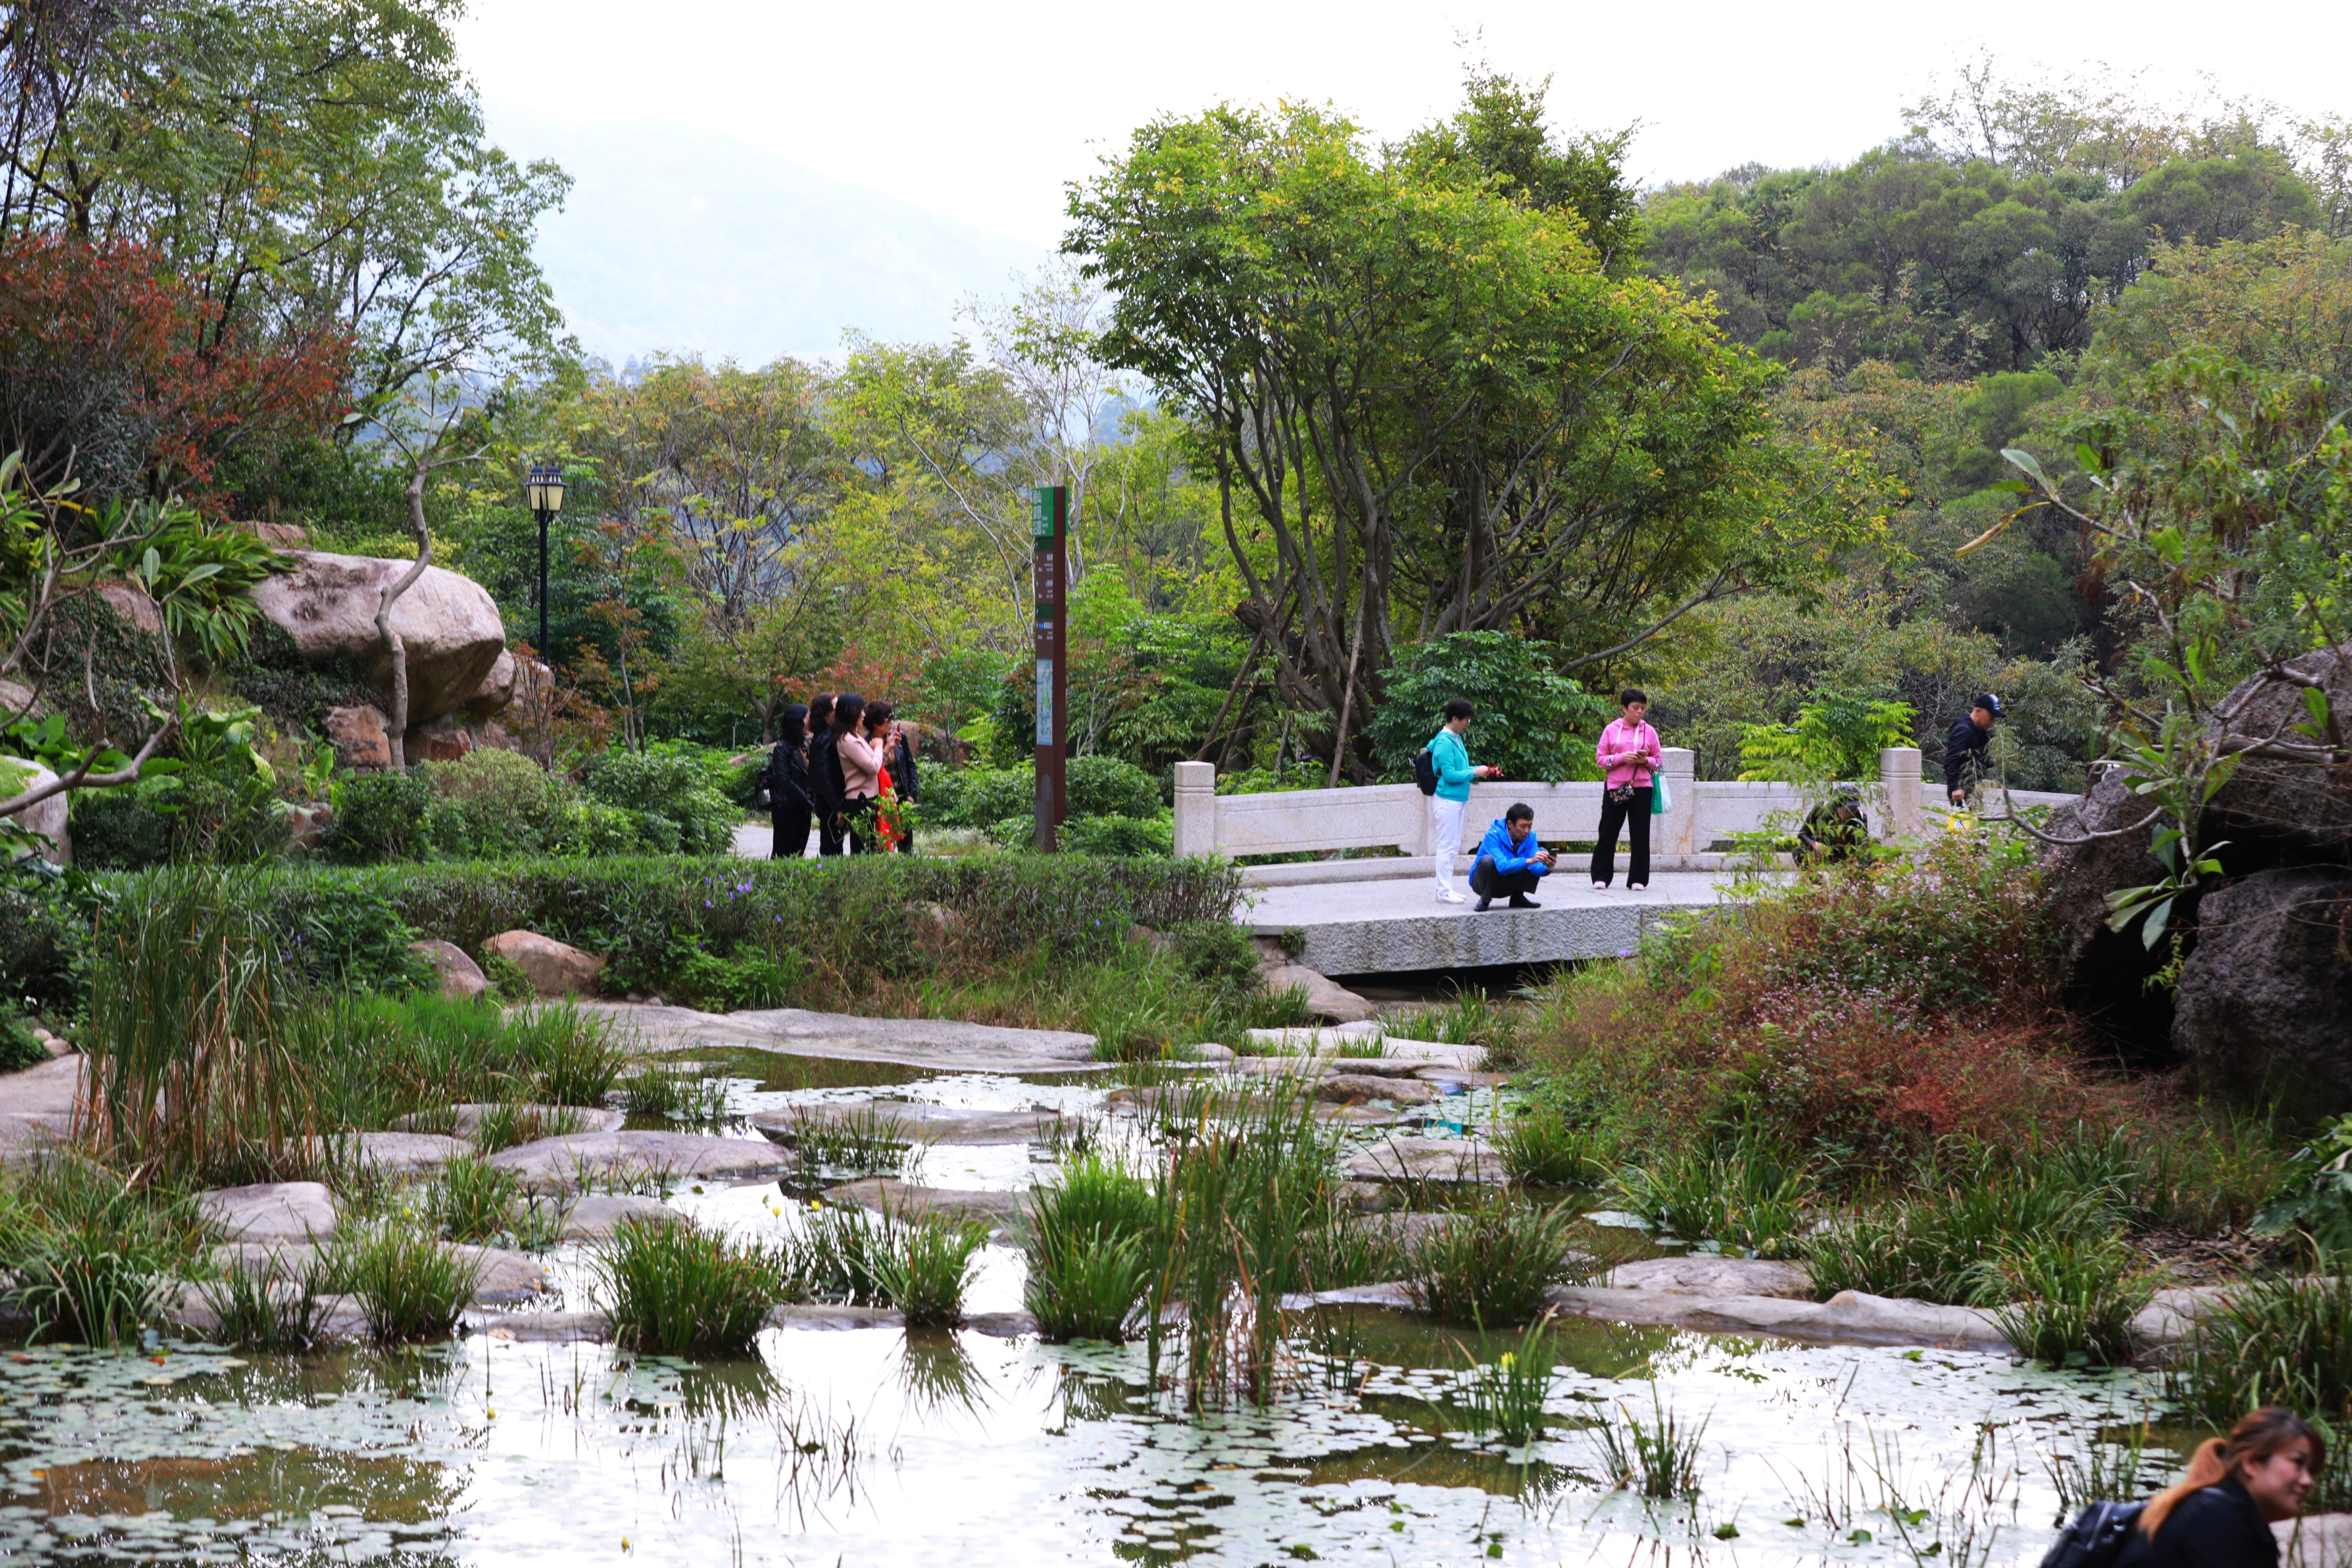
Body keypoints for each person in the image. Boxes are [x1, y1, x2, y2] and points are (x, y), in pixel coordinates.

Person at [2112, 1405, 2322, 1567]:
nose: (2307, 1481)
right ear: (2251, 1463)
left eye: (2311, 1471)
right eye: (2297, 1463)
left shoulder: (2233, 1514)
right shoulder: (2216, 1515)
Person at [1427, 698, 1502, 905]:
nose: (1468, 724)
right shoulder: (1444, 742)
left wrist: (1478, 770)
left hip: (1457, 800)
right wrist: (1474, 772)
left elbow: (1460, 769)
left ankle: (1447, 888)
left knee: (1452, 846)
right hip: (1446, 800)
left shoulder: (1456, 738)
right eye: (1466, 720)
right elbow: (1450, 775)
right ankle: (1443, 891)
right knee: (1446, 846)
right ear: (1455, 718)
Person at [1591, 688, 1662, 891]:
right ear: (1624, 708)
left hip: (1642, 787)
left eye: (1643, 708)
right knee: (1608, 831)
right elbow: (1600, 760)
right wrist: (1622, 758)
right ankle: (1601, 876)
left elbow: (1658, 763)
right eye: (1635, 707)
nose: (1640, 712)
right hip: (1616, 788)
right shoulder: (1611, 730)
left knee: (1640, 835)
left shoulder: (1649, 731)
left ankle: (1638, 879)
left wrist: (1644, 760)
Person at [1470, 803, 1555, 911]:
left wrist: (1548, 868)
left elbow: (1534, 867)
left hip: (1510, 883)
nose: (1527, 831)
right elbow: (1502, 866)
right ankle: (1485, 900)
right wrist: (1528, 861)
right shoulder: (1492, 835)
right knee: (1487, 861)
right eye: (1523, 826)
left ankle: (1517, 897)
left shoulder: (1531, 836)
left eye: (1530, 826)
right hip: (1485, 883)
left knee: (1541, 853)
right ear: (1510, 824)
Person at [832, 693, 881, 854]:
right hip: (859, 800)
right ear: (851, 712)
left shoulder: (855, 737)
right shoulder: (847, 740)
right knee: (863, 849)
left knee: (871, 846)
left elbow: (876, 762)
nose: (864, 714)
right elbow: (873, 767)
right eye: (861, 710)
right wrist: (879, 747)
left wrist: (883, 749)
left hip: (868, 798)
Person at [868, 700, 918, 855]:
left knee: (906, 846)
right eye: (887, 719)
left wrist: (912, 793)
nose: (891, 722)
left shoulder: (899, 736)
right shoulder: (866, 743)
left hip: (901, 797)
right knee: (880, 845)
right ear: (876, 724)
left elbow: (910, 766)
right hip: (881, 799)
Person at [766, 703, 814, 859]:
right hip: (786, 810)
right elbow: (785, 782)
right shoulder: (782, 748)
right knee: (781, 857)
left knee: (797, 856)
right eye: (808, 717)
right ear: (798, 721)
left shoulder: (805, 747)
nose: (811, 720)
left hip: (803, 811)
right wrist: (808, 803)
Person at [1945, 693, 2002, 807]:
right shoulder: (1964, 730)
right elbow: (1951, 760)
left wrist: (1993, 761)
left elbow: (1977, 760)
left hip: (1973, 791)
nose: (1992, 721)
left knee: (1972, 824)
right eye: (1991, 716)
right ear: (1978, 711)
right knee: (1962, 824)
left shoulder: (1979, 731)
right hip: (1961, 792)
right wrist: (1955, 787)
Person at [805, 694, 843, 856]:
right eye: (836, 708)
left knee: (833, 846)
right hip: (829, 803)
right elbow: (824, 776)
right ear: (827, 713)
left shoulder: (825, 736)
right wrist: (837, 807)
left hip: (828, 802)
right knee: (832, 849)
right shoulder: (825, 738)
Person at [1797, 786, 1869, 865]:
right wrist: (1814, 844)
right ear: (1836, 805)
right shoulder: (1821, 810)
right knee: (1799, 852)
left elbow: (1864, 842)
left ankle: (1858, 875)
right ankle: (1814, 876)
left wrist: (1858, 855)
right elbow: (1802, 834)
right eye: (1846, 810)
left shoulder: (1860, 817)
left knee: (1870, 850)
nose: (1850, 813)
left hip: (1845, 855)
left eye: (1853, 809)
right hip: (1823, 852)